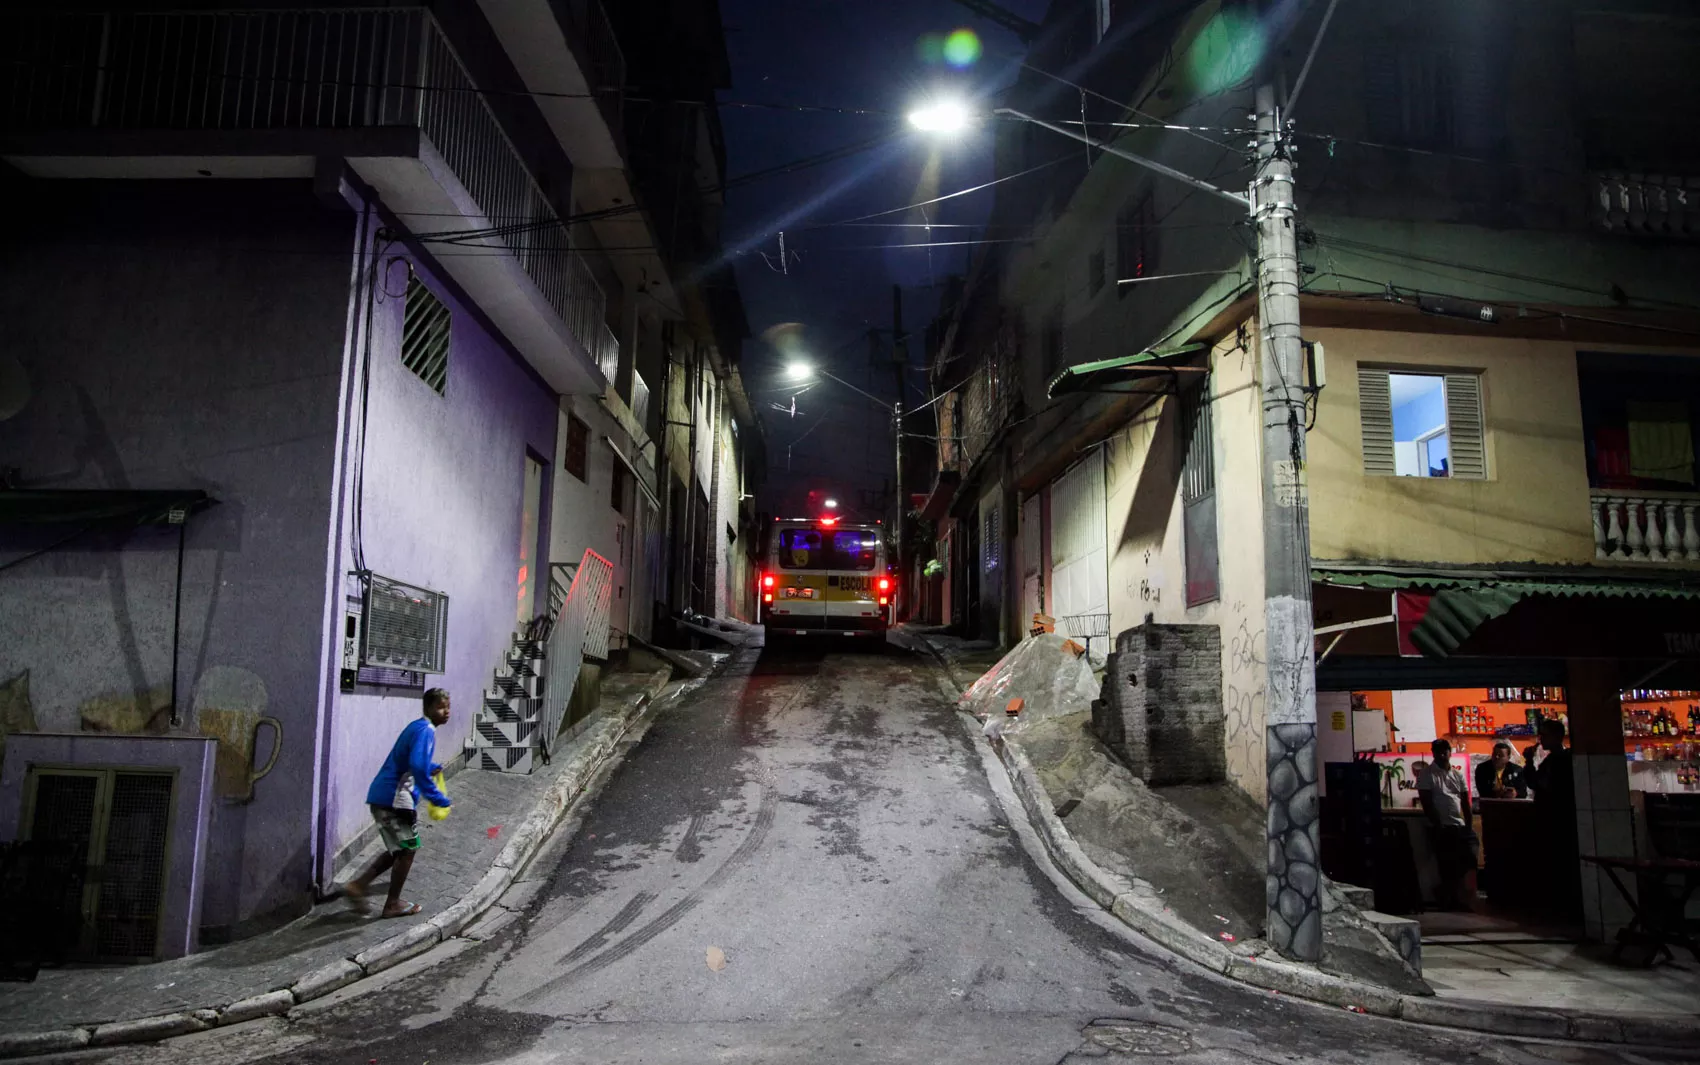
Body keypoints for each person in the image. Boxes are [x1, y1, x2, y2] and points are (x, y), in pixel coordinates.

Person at [338, 688, 453, 917]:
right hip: (394, 799)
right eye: (441, 707)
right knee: (408, 849)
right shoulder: (425, 730)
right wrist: (438, 798)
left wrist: (430, 767)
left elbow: (409, 761)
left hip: (385, 796)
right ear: (428, 708)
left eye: (448, 707)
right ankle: (392, 904)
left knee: (400, 848)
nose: (446, 711)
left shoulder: (418, 727)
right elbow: (417, 766)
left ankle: (358, 886)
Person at [1524, 719, 1581, 922]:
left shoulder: (1557, 761)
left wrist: (1529, 762)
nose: (1541, 739)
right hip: (1560, 820)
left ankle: (1560, 909)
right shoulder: (1558, 759)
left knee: (1557, 866)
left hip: (1555, 821)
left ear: (1557, 736)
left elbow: (1537, 783)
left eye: (1545, 735)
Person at [1417, 738, 1479, 910]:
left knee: (1467, 860)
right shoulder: (1427, 774)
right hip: (1442, 825)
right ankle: (1449, 900)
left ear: (1450, 753)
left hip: (1459, 825)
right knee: (1447, 865)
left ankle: (1463, 898)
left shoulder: (1457, 774)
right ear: (1433, 753)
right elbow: (1427, 802)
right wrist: (1438, 824)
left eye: (1445, 751)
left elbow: (1465, 801)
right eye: (1439, 751)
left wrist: (1468, 825)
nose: (1443, 755)